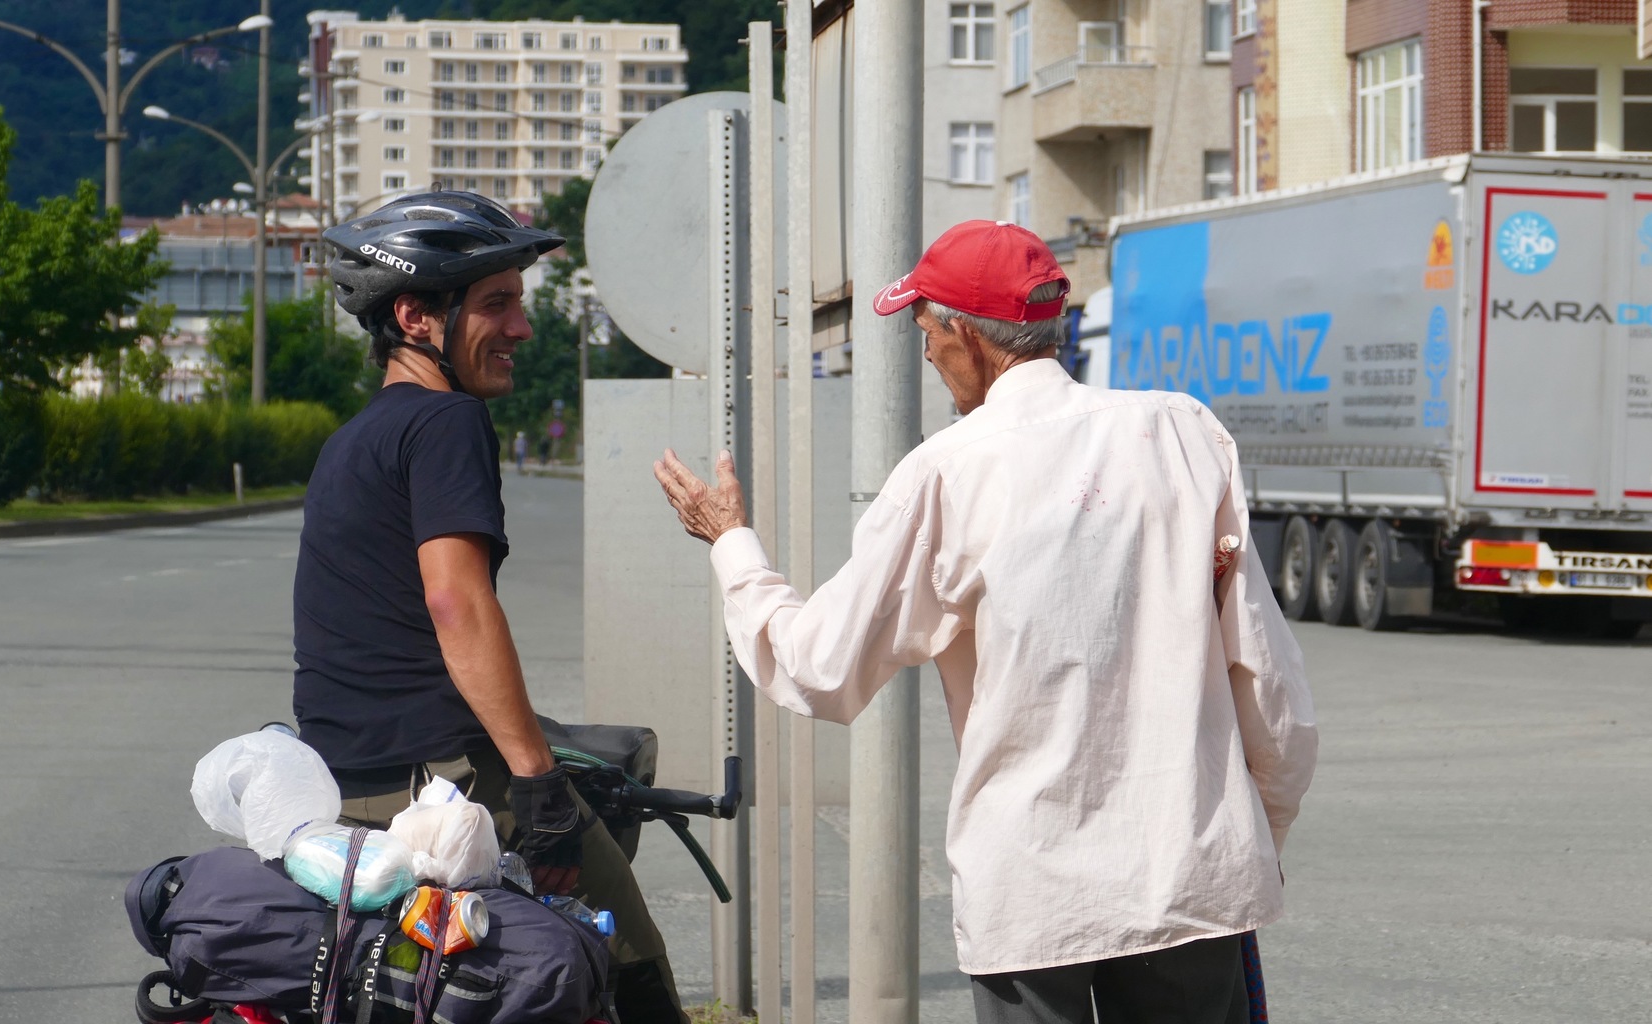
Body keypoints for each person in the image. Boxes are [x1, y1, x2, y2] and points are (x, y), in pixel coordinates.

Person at [654, 220, 1317, 1024]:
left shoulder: (949, 470)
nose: (927, 354)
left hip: (1032, 891)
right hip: (1190, 874)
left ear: (964, 335)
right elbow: (1266, 676)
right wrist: (1252, 840)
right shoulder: (1179, 431)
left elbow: (818, 668)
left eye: (925, 332)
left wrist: (730, 543)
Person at [293, 190, 687, 1023]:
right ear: (415, 317)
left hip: (346, 781)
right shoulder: (445, 422)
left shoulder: (352, 438)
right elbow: (455, 603)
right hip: (445, 779)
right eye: (497, 303)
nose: (521, 328)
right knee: (633, 968)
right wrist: (540, 785)